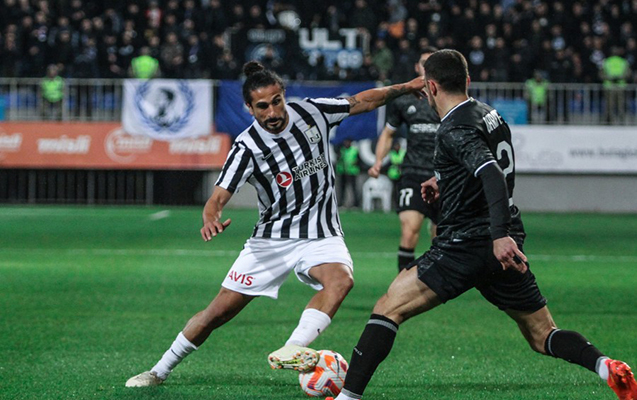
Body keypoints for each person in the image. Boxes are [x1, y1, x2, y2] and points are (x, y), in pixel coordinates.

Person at [330, 49, 637, 400]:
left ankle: (347, 398)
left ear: (431, 87)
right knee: (543, 335)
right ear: (467, 80)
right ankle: (606, 366)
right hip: (503, 245)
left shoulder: (453, 127)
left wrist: (498, 235)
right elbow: (486, 163)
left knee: (387, 308)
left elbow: (491, 172)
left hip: (470, 242)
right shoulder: (489, 114)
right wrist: (444, 180)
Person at [125, 61, 427, 387]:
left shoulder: (313, 112)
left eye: (276, 101)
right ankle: (158, 370)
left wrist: (406, 87)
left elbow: (362, 101)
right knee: (218, 312)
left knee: (341, 281)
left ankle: (293, 347)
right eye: (262, 106)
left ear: (284, 95)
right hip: (271, 240)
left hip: (321, 232)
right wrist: (210, 217)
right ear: (249, 108)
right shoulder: (247, 147)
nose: (272, 112)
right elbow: (218, 197)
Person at [368, 48, 441, 272]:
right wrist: (378, 161)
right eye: (424, 63)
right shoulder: (405, 100)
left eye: (432, 63)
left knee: (440, 236)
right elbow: (388, 133)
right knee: (409, 231)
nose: (427, 67)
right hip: (413, 172)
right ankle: (403, 282)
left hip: (443, 175)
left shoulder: (448, 98)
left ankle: (435, 283)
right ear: (417, 67)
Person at [336, 138, 361, 209]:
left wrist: (355, 163)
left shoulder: (354, 150)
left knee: (354, 188)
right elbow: (338, 159)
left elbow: (358, 160)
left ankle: (355, 204)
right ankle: (341, 204)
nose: (346, 143)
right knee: (342, 189)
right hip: (343, 171)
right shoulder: (342, 150)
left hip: (352, 172)